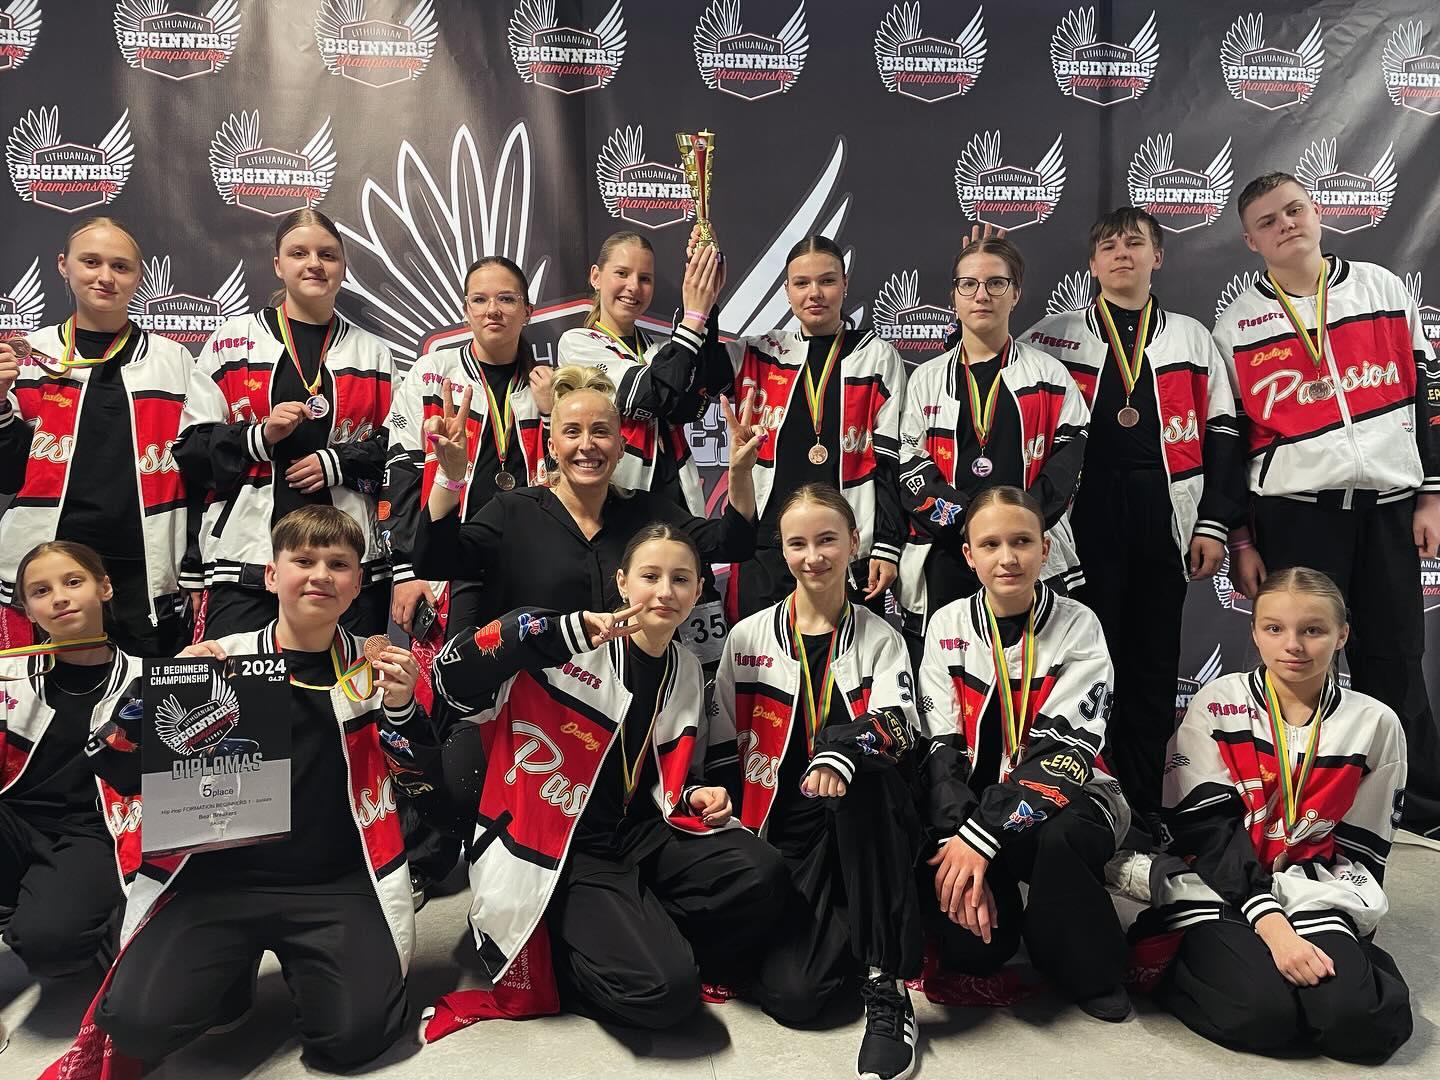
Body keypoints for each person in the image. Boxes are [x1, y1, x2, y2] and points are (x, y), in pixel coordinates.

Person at [68, 506, 424, 1073]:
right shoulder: (219, 658)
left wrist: (402, 710)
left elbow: (424, 786)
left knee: (353, 1040)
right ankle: (225, 985)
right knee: (135, 1024)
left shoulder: (377, 669)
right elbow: (113, 765)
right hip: (215, 880)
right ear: (272, 575)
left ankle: (306, 974)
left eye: (338, 564)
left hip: (334, 881)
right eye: (303, 561)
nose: (320, 575)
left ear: (359, 583)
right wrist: (159, 692)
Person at [428, 523, 786, 1029]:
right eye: (650, 576)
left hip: (642, 835)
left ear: (699, 591)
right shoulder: (567, 645)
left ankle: (638, 927)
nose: (665, 591)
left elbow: (664, 773)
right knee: (666, 994)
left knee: (760, 869)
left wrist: (694, 792)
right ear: (622, 582)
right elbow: (450, 676)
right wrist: (555, 632)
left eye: (681, 579)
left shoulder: (686, 667)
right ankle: (556, 957)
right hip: (567, 846)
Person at [1214, 171, 1440, 843]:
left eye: (1294, 210)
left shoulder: (1381, 288)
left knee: (1396, 659)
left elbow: (1428, 392)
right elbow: (1232, 443)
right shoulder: (1237, 324)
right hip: (1296, 514)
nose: (1286, 224)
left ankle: (1417, 810)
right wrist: (1242, 539)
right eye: (1268, 221)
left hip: (1388, 507)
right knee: (1301, 665)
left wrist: (1432, 491)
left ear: (1316, 213)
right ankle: (1308, 801)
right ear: (1251, 241)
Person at [1022, 207, 1244, 835]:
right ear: (1092, 264)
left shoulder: (1191, 337)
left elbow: (1224, 436)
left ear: (1158, 257)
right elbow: (1001, 388)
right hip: (1082, 518)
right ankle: (1083, 803)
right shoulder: (1053, 336)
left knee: (1151, 666)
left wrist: (1212, 524)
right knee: (1088, 662)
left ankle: (1145, 806)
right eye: (1110, 245)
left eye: (1135, 243)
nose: (1123, 253)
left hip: (1162, 515)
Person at [1146, 567, 1412, 1062]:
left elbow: (1365, 846)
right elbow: (1205, 834)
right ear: (1254, 631)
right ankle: (1169, 961)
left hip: (1313, 886)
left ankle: (1355, 974)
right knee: (1264, 1017)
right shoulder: (1218, 703)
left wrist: (1344, 928)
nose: (1293, 645)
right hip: (1217, 885)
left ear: (1341, 635)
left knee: (1358, 1028)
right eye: (1274, 628)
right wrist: (1271, 924)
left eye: (1313, 630)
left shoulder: (1374, 722)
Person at [709, 483, 924, 1080]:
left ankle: (886, 984)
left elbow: (898, 728)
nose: (813, 557)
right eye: (798, 543)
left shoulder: (882, 639)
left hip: (865, 824)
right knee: (796, 997)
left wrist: (839, 754)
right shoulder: (747, 637)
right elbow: (722, 747)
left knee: (870, 780)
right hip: (786, 835)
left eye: (827, 540)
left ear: (854, 543)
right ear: (781, 551)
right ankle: (855, 927)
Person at [917, 486, 1131, 1021]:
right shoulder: (946, 624)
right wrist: (958, 840)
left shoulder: (1079, 624)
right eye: (990, 544)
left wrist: (980, 838)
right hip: (977, 813)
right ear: (969, 555)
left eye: (1021, 542)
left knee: (1060, 838)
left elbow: (1068, 752)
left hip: (1073, 800)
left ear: (1046, 548)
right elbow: (942, 750)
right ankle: (1011, 907)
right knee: (974, 954)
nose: (1007, 558)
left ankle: (1087, 966)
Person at [383, 254, 551, 905]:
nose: (493, 310)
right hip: (454, 567)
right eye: (480, 299)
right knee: (442, 705)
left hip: (531, 564)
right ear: (465, 308)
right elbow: (402, 473)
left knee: (538, 699)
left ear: (527, 310)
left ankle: (531, 842)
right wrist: (409, 569)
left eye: (506, 298)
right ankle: (426, 858)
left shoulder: (550, 380)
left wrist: (551, 409)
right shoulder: (432, 373)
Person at [412, 364, 761, 639]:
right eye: (572, 431)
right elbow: (434, 561)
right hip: (533, 699)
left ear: (620, 447)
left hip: (626, 693)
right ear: (552, 447)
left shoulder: (650, 514)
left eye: (601, 431)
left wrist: (741, 472)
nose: (587, 445)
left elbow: (734, 542)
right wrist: (450, 476)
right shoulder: (512, 512)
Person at [175, 209, 394, 640]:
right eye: (299, 253)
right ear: (278, 265)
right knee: (236, 680)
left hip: (347, 567)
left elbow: (399, 453)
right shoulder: (232, 342)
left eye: (327, 254)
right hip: (248, 560)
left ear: (343, 265)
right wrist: (258, 437)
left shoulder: (373, 354)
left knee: (344, 680)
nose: (314, 264)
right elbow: (192, 450)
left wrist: (339, 463)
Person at [0, 217, 199, 656]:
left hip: (146, 570)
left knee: (147, 695)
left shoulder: (175, 361)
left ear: (138, 276)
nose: (105, 277)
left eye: (120, 266)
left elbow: (201, 472)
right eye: (90, 262)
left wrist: (194, 565)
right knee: (45, 690)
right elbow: (8, 476)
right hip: (48, 569)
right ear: (63, 265)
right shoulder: (26, 358)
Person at [898, 236, 1088, 656]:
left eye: (996, 283)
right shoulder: (925, 379)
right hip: (949, 552)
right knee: (949, 672)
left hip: (1026, 554)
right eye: (968, 284)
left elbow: (1068, 463)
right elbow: (911, 466)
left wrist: (1016, 530)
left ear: (1016, 293)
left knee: (1033, 668)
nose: (981, 295)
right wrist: (973, 527)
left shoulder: (1050, 376)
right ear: (953, 296)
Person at [710, 235, 907, 619]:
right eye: (801, 283)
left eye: (827, 280)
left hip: (844, 548)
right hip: (765, 545)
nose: (814, 293)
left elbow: (890, 463)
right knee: (758, 652)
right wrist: (705, 301)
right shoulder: (760, 351)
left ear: (845, 284)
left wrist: (886, 545)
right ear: (786, 291)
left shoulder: (876, 356)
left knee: (845, 651)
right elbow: (700, 372)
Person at [0, 542, 140, 979]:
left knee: (49, 943)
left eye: (73, 582)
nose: (59, 597)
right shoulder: (9, 676)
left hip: (92, 831)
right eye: (41, 591)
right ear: (28, 610)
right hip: (12, 819)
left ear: (104, 588)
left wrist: (211, 666)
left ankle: (87, 912)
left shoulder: (148, 678)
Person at [557, 229, 725, 516]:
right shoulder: (578, 344)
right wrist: (693, 318)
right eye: (622, 273)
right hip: (615, 502)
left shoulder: (660, 350)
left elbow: (690, 406)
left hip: (677, 498)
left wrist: (705, 293)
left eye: (645, 279)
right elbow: (650, 395)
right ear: (596, 277)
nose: (633, 286)